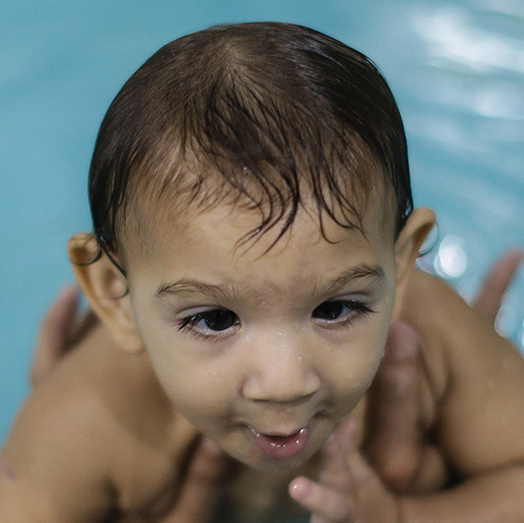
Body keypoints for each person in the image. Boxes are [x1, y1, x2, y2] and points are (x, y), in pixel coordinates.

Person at [1, 22, 524, 522]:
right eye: (214, 319)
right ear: (116, 296)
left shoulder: (433, 334)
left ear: (400, 266)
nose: (284, 383)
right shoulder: (90, 418)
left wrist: (410, 516)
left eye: (335, 308)